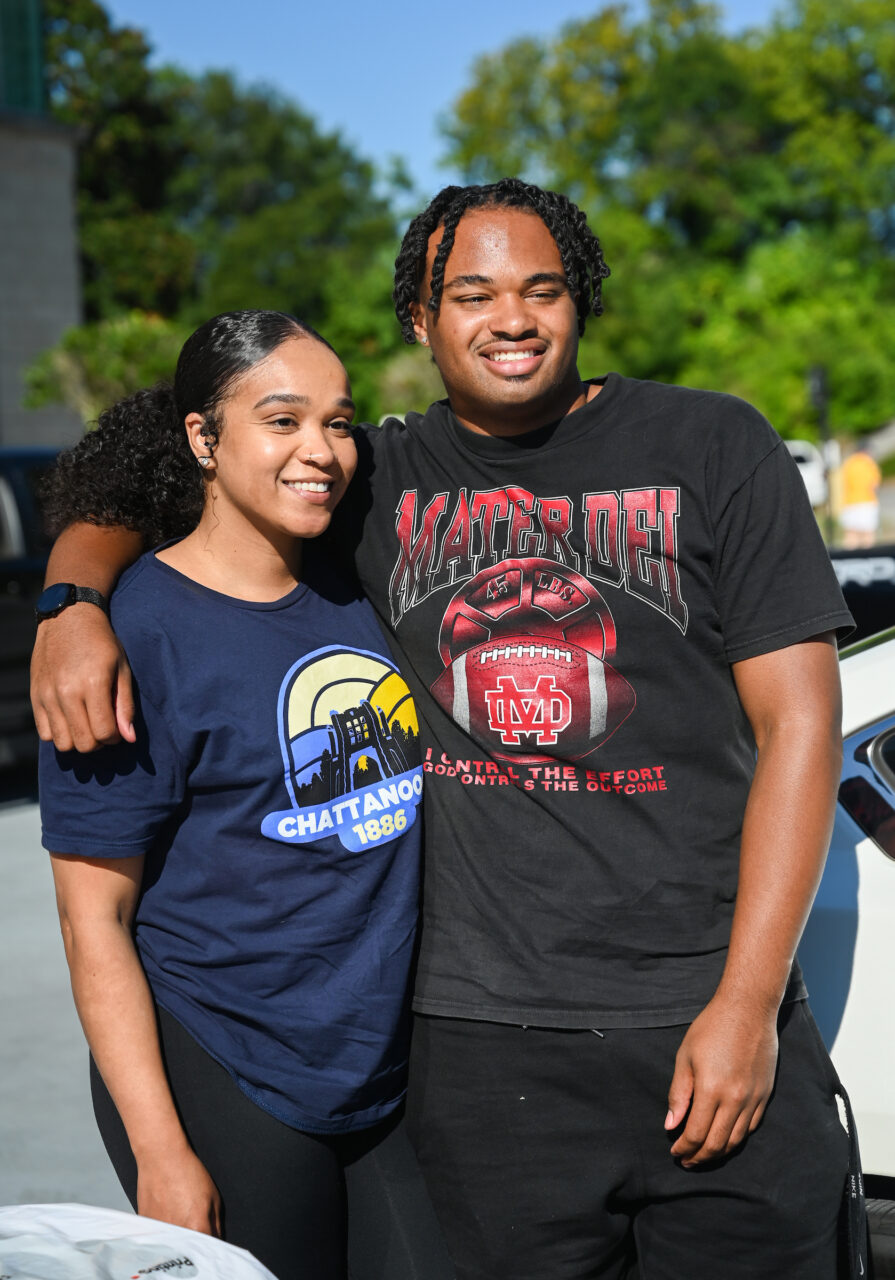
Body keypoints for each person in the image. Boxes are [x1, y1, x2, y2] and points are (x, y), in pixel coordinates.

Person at [33, 181, 858, 1279]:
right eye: (472, 294)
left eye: (541, 289)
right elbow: (152, 470)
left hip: (704, 1024)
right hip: (478, 1059)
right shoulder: (375, 472)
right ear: (420, 320)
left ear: (581, 298)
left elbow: (801, 722)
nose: (510, 318)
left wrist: (747, 1006)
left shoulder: (712, 443)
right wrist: (71, 603)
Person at [35, 310, 451, 1280]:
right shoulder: (135, 635)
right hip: (224, 1061)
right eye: (282, 419)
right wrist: (160, 1150)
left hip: (373, 1057)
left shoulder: (353, 581)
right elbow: (93, 918)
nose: (321, 450)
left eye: (338, 421)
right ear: (202, 438)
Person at [838, 446, 882, 549]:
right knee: (868, 537)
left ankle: (849, 558)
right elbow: (874, 485)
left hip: (850, 503)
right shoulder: (869, 463)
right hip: (867, 502)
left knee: (851, 537)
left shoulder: (849, 463)